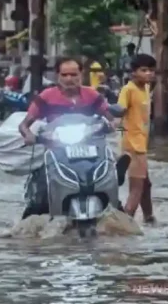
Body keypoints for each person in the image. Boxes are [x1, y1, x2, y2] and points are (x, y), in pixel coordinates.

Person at [18, 57, 113, 144]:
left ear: (81, 74)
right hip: (56, 148)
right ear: (57, 75)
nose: (69, 79)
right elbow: (23, 125)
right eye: (64, 75)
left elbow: (112, 118)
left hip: (90, 146)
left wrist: (114, 126)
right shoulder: (46, 96)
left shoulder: (92, 95)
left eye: (73, 75)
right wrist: (29, 135)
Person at [118, 54, 156, 223]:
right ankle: (126, 224)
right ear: (133, 72)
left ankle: (149, 218)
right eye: (144, 70)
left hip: (142, 145)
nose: (149, 74)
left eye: (151, 70)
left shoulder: (146, 88)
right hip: (133, 146)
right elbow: (120, 110)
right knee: (136, 189)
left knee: (145, 185)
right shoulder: (128, 90)